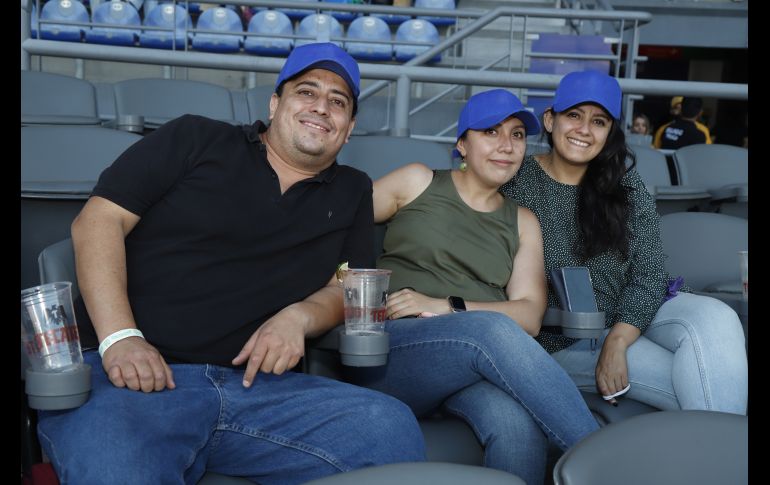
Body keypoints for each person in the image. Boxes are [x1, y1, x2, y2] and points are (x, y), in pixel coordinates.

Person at [35, 43, 426, 484]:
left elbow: (348, 284)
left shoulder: (352, 190)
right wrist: (122, 338)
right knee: (116, 463)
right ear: (275, 103)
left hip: (262, 390)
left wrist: (299, 317)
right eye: (306, 92)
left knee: (388, 429)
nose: (321, 108)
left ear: (349, 127)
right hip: (135, 379)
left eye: (338, 102)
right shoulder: (196, 138)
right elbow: (98, 221)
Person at [347, 89, 600, 485]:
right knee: (491, 329)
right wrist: (340, 283)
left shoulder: (523, 221)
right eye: (491, 132)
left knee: (517, 426)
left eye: (517, 135)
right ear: (462, 143)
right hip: (397, 348)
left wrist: (448, 305)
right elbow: (334, 223)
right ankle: (610, 467)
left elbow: (530, 315)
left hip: (474, 364)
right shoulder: (418, 181)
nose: (507, 145)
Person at [501, 70, 747, 416]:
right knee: (695, 384)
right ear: (550, 119)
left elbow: (649, 274)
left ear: (609, 133)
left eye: (599, 121)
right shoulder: (515, 182)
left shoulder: (624, 184)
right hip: (563, 336)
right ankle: (718, 463)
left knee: (718, 317)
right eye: (574, 115)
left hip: (635, 311)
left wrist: (617, 340)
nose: (584, 130)